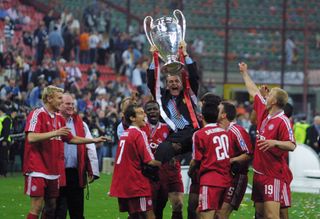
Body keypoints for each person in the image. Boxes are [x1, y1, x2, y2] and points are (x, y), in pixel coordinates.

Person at [23, 85, 107, 219]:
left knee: (51, 207)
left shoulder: (59, 118)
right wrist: (55, 133)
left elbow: (71, 139)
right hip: (37, 168)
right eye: (59, 99)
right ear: (49, 98)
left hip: (53, 171)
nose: (61, 102)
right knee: (37, 206)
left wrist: (93, 140)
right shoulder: (37, 113)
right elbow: (31, 137)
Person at [239, 62, 296, 219]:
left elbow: (291, 145)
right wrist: (244, 72)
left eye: (270, 95)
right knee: (259, 214)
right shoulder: (265, 112)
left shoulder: (282, 120)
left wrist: (274, 142)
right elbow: (253, 91)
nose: (266, 95)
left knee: (273, 215)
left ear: (275, 102)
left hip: (272, 174)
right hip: (258, 172)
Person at [147, 41, 200, 163]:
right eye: (171, 82)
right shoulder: (162, 97)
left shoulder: (188, 94)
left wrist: (185, 55)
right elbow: (151, 82)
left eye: (176, 81)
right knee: (162, 151)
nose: (174, 84)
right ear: (166, 85)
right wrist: (153, 58)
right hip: (171, 134)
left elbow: (193, 77)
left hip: (190, 132)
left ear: (181, 84)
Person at [109, 104, 161, 219]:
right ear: (132, 118)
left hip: (123, 183)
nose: (145, 115)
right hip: (136, 183)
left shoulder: (125, 134)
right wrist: (164, 161)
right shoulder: (139, 133)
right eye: (141, 113)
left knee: (134, 215)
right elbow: (149, 160)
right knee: (149, 214)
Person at [55, 93, 100, 219]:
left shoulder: (81, 124)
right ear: (59, 105)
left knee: (77, 212)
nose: (71, 107)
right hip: (57, 173)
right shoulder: (52, 122)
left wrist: (93, 171)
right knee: (57, 211)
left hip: (75, 173)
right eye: (67, 104)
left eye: (72, 104)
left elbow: (89, 147)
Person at [188, 97, 232, 219]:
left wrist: (190, 172)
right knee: (208, 213)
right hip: (225, 179)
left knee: (206, 215)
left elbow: (196, 160)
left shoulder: (199, 134)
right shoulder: (225, 132)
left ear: (202, 116)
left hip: (210, 180)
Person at [142, 100, 184, 219]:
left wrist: (175, 156)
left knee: (177, 204)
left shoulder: (169, 127)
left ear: (160, 111)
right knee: (154, 208)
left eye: (155, 109)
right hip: (150, 174)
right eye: (149, 110)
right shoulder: (141, 128)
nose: (152, 112)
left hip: (170, 171)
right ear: (145, 113)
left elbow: (180, 145)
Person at [216, 101, 253, 218]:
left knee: (222, 214)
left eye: (218, 110)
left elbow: (248, 154)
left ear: (223, 115)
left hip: (236, 178)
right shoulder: (216, 130)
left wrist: (230, 161)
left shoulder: (237, 131)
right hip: (221, 177)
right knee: (214, 214)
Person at [0, 105, 12, 177]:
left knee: (3, 157)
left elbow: (6, 130)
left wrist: (4, 140)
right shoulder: (1, 118)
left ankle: (4, 172)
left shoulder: (6, 119)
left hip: (4, 141)